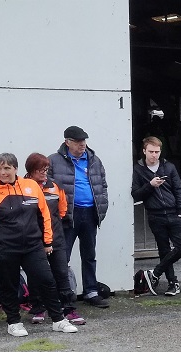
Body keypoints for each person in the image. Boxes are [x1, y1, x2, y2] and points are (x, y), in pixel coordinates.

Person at [0, 153, 78, 336]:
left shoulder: (31, 186)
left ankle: (58, 319)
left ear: (15, 169)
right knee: (8, 285)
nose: (3, 172)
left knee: (47, 280)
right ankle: (14, 322)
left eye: (7, 168)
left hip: (32, 246)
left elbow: (44, 216)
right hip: (4, 248)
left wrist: (47, 241)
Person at [48, 126, 109, 308]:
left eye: (84, 141)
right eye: (78, 141)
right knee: (62, 256)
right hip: (67, 216)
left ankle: (91, 291)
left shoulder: (94, 160)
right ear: (68, 142)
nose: (82, 144)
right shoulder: (53, 161)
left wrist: (102, 206)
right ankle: (62, 295)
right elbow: (48, 189)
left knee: (89, 255)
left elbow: (103, 185)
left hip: (90, 213)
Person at [25, 153, 86, 325]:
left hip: (56, 238)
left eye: (46, 169)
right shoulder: (22, 187)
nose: (44, 173)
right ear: (30, 171)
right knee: (37, 275)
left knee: (61, 272)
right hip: (34, 240)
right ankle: (38, 308)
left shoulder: (55, 186)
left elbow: (62, 211)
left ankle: (69, 309)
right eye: (40, 170)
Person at [132, 136, 181, 296]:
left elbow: (178, 190)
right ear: (144, 151)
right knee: (164, 250)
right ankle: (173, 283)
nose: (154, 155)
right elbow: (135, 194)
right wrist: (150, 185)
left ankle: (155, 274)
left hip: (173, 213)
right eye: (151, 152)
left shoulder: (168, 167)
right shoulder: (139, 169)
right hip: (155, 215)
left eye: (157, 152)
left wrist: (180, 211)